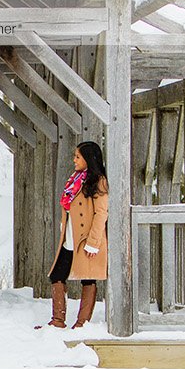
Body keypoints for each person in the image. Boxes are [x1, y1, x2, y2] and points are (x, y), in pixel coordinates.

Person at [47, 141, 109, 331]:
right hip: (70, 237)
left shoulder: (99, 181)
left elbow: (101, 213)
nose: (74, 160)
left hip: (86, 239)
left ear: (88, 159)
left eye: (78, 157)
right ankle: (58, 320)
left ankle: (82, 323)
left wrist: (93, 242)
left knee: (88, 278)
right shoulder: (75, 179)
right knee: (57, 275)